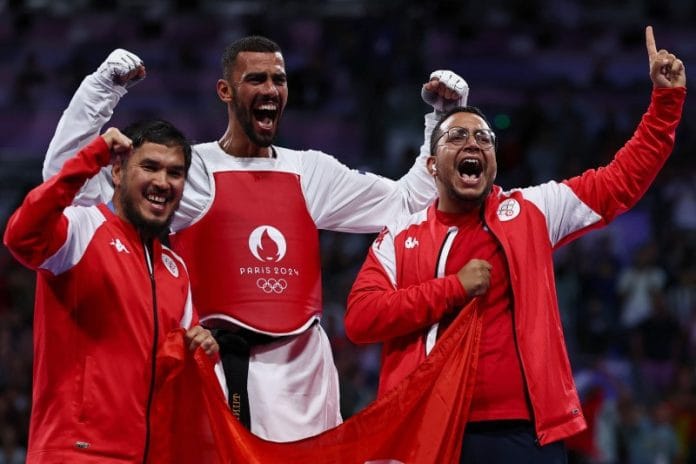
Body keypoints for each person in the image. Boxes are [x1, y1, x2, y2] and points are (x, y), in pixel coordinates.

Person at [40, 37, 469, 441]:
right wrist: (101, 90)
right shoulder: (188, 170)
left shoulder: (310, 172)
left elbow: (406, 203)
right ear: (225, 91)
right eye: (256, 79)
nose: (270, 89)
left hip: (307, 377)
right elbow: (68, 184)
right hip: (221, 372)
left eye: (278, 79)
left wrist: (443, 121)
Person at [344, 26, 686, 463]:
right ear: (431, 165)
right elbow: (361, 319)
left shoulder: (530, 211)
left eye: (484, 138)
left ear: (493, 160)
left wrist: (665, 103)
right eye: (457, 137)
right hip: (428, 429)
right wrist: (453, 288)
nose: (473, 142)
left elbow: (620, 182)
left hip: (524, 433)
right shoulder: (400, 236)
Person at [3, 120, 219, 463]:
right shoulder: (82, 228)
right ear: (117, 172)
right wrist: (92, 156)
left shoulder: (175, 269)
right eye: (150, 167)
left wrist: (204, 349)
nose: (162, 182)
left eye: (175, 173)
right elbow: (21, 237)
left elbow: (180, 371)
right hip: (75, 454)